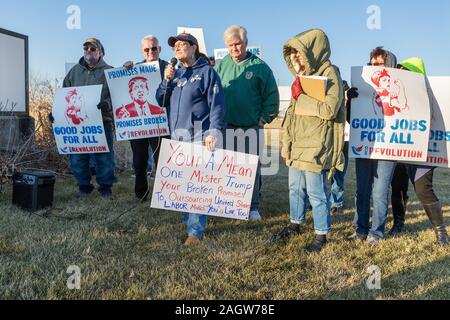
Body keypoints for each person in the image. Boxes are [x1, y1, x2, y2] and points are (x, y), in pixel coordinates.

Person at [273, 29, 345, 253]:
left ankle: (321, 235)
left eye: (300, 55)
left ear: (313, 52)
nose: (296, 60)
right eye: (293, 56)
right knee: (294, 188)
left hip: (316, 146)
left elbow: (330, 109)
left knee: (316, 192)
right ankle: (295, 223)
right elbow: (291, 119)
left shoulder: (330, 73)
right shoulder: (300, 79)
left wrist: (301, 96)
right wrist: (287, 145)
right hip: (297, 146)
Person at [156, 33, 226, 246]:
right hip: (177, 137)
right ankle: (189, 220)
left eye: (182, 44)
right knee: (183, 183)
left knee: (196, 185)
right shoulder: (176, 74)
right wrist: (166, 80)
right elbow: (161, 100)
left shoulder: (206, 72)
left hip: (198, 136)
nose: (177, 48)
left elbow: (217, 104)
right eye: (174, 46)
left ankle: (195, 231)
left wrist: (214, 131)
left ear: (194, 47)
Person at [215, 25, 280, 221]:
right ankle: (229, 203)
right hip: (226, 126)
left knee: (250, 168)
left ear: (246, 43)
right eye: (230, 45)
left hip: (251, 126)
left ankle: (252, 207)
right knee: (227, 167)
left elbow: (272, 95)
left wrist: (264, 118)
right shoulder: (221, 65)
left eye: (238, 44)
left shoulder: (260, 66)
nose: (234, 48)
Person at [391, 57, 448, 245]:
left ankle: (441, 232)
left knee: (423, 189)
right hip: (400, 149)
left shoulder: (432, 95)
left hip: (424, 151)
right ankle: (398, 224)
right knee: (398, 186)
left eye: (407, 72)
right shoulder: (397, 92)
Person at [50, 38, 115, 199]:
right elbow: (63, 95)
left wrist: (107, 105)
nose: (88, 51)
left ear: (101, 52)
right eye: (86, 48)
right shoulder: (74, 72)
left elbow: (117, 96)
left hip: (102, 122)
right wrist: (55, 112)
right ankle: (84, 187)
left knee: (104, 158)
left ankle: (105, 188)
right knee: (78, 158)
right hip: (76, 124)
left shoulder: (110, 71)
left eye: (93, 49)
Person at [348, 47, 398, 244]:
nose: (375, 67)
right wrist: (351, 103)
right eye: (372, 64)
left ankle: (376, 232)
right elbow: (354, 122)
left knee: (379, 192)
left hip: (387, 148)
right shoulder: (363, 89)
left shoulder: (399, 88)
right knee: (362, 190)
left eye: (380, 64)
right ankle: (360, 229)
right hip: (365, 145)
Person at [123, 35, 169, 200]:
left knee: (162, 159)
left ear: (160, 49)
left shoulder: (167, 67)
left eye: (154, 48)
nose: (151, 52)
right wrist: (124, 70)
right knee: (139, 160)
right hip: (138, 124)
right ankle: (140, 193)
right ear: (142, 51)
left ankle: (166, 194)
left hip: (160, 122)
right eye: (147, 49)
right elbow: (120, 85)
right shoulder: (134, 68)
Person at [330, 80, 359, 215]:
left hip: (344, 139)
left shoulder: (350, 93)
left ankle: (336, 203)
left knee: (339, 172)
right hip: (328, 137)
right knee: (321, 173)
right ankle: (317, 201)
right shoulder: (326, 91)